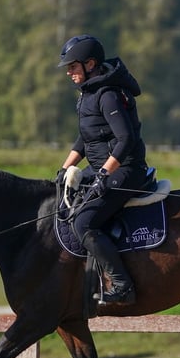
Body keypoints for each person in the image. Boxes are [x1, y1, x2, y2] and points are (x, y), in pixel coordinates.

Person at [56, 34, 150, 306]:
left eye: (72, 67)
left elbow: (126, 140)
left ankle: (122, 285)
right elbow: (85, 139)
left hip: (126, 170)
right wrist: (65, 168)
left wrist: (104, 174)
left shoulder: (107, 95)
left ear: (91, 64)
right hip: (102, 168)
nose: (69, 73)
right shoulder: (88, 93)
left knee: (83, 222)